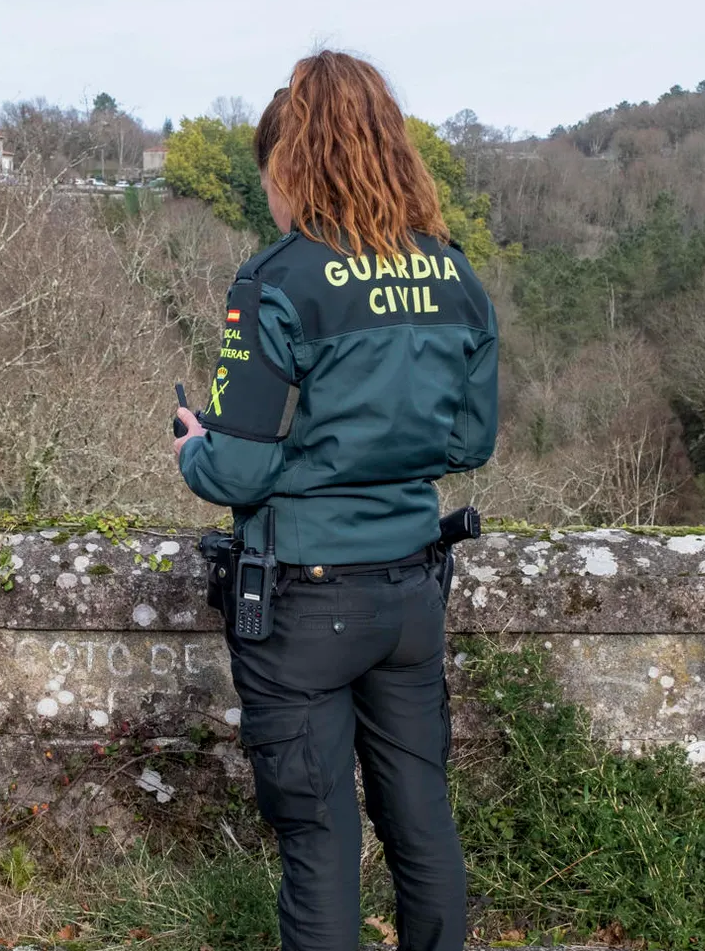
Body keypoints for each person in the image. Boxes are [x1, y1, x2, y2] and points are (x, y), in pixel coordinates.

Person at [172, 51, 500, 951]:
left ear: (293, 163)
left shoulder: (277, 281)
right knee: (422, 816)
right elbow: (468, 444)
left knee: (321, 837)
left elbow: (239, 473)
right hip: (409, 593)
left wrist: (196, 449)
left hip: (304, 602)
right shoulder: (453, 275)